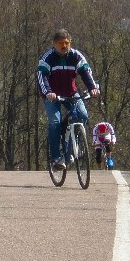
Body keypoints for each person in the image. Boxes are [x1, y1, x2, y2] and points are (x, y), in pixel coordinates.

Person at [36, 28, 100, 171]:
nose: (64, 46)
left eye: (66, 43)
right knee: (55, 122)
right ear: (54, 44)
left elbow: (86, 72)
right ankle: (56, 158)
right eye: (60, 44)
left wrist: (93, 88)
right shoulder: (47, 58)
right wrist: (48, 92)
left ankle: (70, 150)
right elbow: (41, 77)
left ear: (70, 42)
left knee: (83, 115)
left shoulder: (76, 56)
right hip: (52, 95)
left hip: (71, 93)